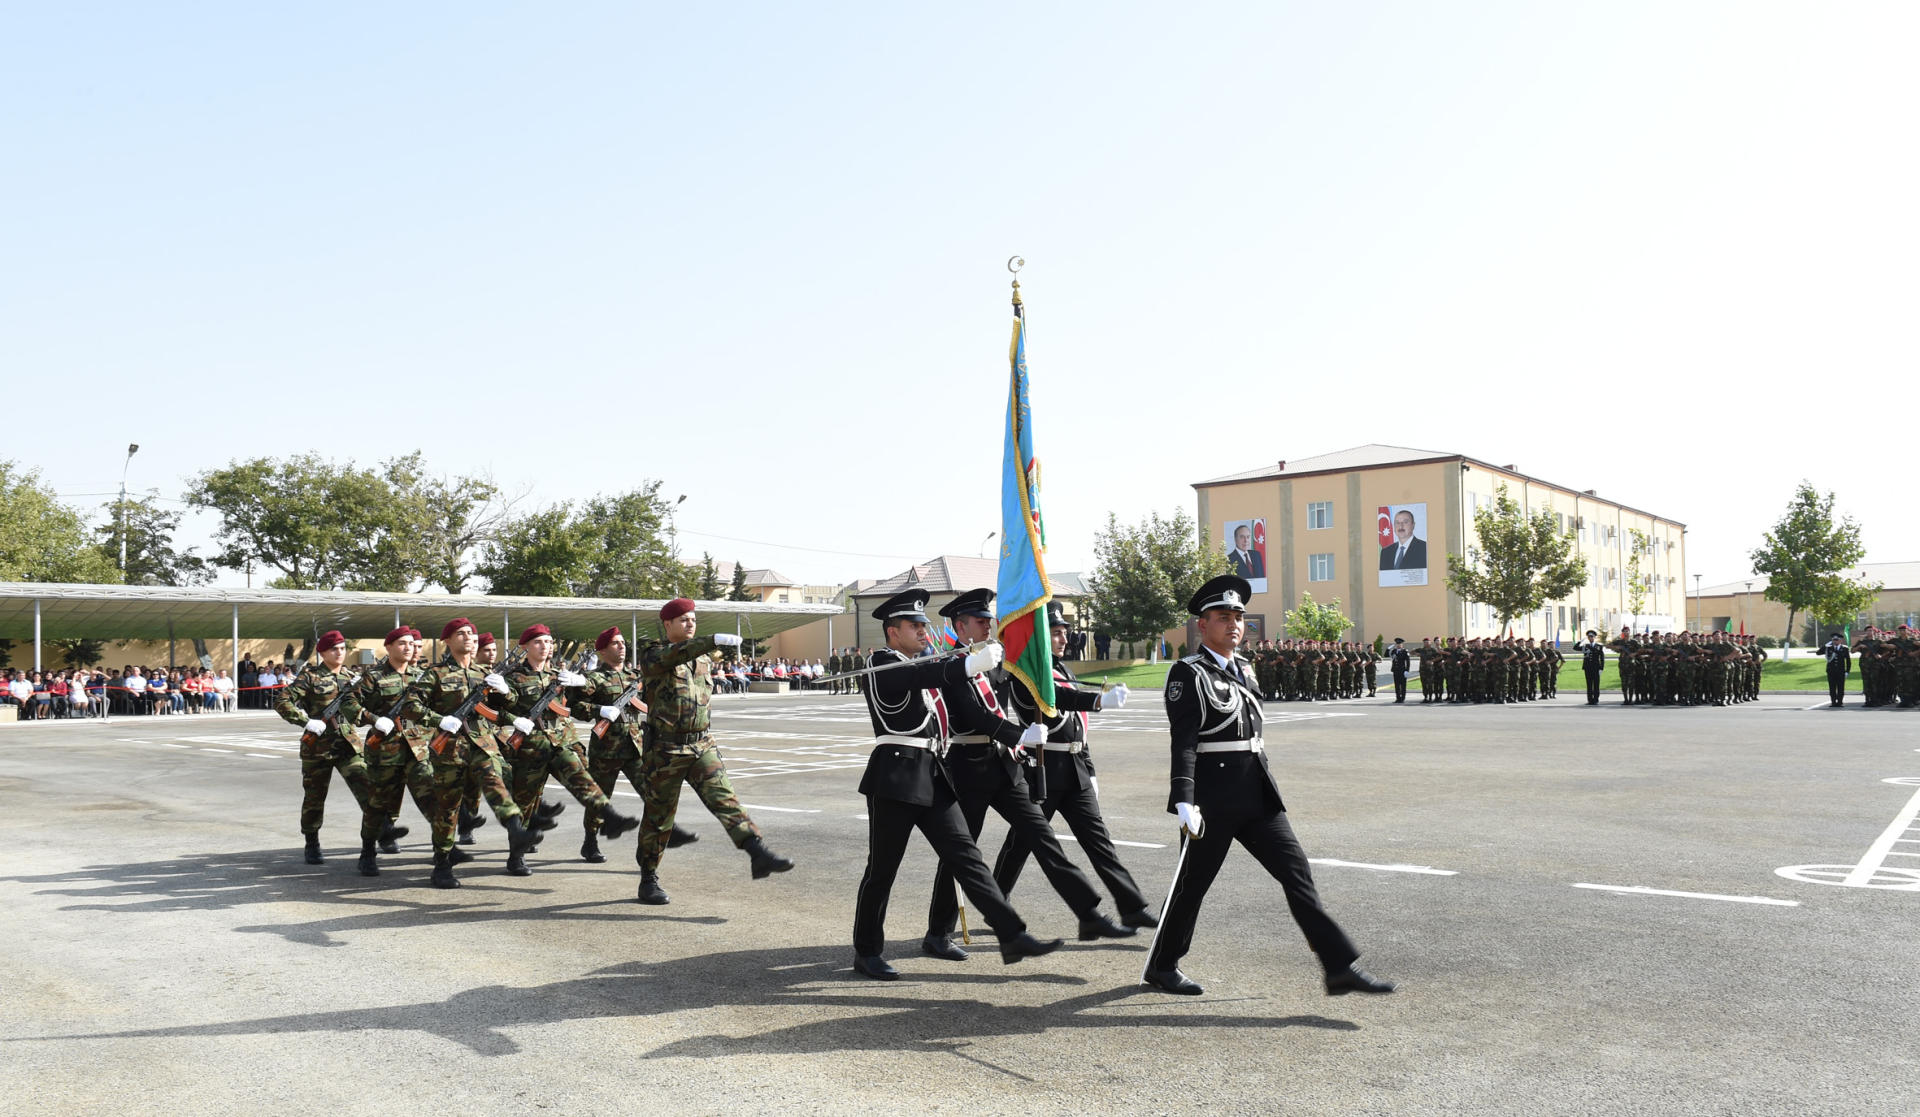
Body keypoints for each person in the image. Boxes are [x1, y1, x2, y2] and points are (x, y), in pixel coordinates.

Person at [1143, 574, 1393, 998]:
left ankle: (1338, 966)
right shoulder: (1187, 673)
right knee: (1192, 885)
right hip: (1213, 798)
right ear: (1201, 626)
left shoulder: (1243, 667)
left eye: (1238, 617)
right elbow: (1184, 740)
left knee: (1297, 874)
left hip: (1257, 793)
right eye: (1223, 618)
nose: (1234, 625)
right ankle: (1163, 965)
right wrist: (1184, 798)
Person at [849, 588, 1063, 980]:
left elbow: (938, 679)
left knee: (966, 856)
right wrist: (968, 664)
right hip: (895, 774)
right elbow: (922, 675)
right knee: (883, 869)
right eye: (914, 626)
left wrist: (973, 666)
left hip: (933, 771)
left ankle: (1010, 932)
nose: (923, 632)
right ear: (892, 631)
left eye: (924, 625)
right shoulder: (882, 663)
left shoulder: (923, 662)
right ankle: (867, 951)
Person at [923, 588, 1133, 959]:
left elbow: (1049, 693)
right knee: (961, 853)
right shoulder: (953, 663)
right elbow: (975, 716)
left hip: (1003, 763)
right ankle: (938, 932)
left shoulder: (999, 662)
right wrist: (1019, 733)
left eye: (990, 619)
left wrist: (1097, 700)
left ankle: (1088, 913)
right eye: (981, 621)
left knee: (1042, 835)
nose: (990, 625)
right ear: (960, 625)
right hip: (967, 765)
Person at [992, 602, 1154, 928]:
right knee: (1020, 844)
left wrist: (1089, 769)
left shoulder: (1062, 670)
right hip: (1043, 769)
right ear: (1039, 639)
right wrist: (1097, 699)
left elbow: (1078, 726)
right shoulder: (1029, 674)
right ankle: (995, 900)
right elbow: (1057, 700)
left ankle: (1131, 906)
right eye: (1055, 633)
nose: (1063, 639)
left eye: (1064, 632)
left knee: (1100, 844)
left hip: (1075, 768)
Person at [633, 598, 791, 905]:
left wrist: (707, 646)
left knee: (725, 800)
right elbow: (674, 654)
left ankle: (757, 852)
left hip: (702, 744)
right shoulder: (654, 653)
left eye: (693, 619)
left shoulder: (701, 660)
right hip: (666, 749)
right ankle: (648, 876)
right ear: (667, 625)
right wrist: (712, 641)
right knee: (659, 816)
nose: (690, 624)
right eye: (683, 620)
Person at [403, 618, 543, 888]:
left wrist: (505, 694)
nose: (468, 637)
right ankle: (442, 863)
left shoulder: (483, 674)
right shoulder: (435, 673)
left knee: (496, 783)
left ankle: (516, 829)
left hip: (482, 744)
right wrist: (438, 720)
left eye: (471, 633)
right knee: (448, 809)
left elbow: (500, 707)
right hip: (450, 750)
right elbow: (411, 705)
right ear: (447, 641)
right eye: (460, 633)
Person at [496, 624, 641, 877]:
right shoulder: (513, 678)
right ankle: (515, 856)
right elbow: (498, 711)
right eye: (539, 642)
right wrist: (511, 714)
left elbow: (576, 706)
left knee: (582, 779)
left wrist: (583, 689)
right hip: (530, 746)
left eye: (549, 642)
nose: (546, 646)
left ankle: (609, 818)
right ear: (526, 647)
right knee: (525, 802)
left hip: (561, 741)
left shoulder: (558, 676)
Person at [274, 631, 378, 866]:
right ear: (322, 652)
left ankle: (370, 847)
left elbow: (364, 708)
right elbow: (282, 701)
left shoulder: (353, 677)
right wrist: (305, 721)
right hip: (317, 746)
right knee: (314, 797)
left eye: (342, 648)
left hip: (348, 745)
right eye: (334, 649)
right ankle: (312, 842)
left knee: (369, 793)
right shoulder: (310, 677)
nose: (339, 652)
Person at [345, 626, 435, 877]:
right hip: (385, 749)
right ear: (389, 647)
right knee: (377, 805)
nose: (408, 647)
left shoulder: (421, 675)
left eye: (410, 643)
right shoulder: (373, 677)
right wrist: (372, 718)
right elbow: (348, 702)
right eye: (401, 643)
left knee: (430, 796)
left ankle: (444, 851)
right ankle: (367, 853)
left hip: (417, 748)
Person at [1819, 634, 1851, 707]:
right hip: (1831, 671)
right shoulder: (1828, 648)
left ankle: (1840, 702)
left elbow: (1848, 661)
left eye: (1836, 640)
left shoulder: (1845, 649)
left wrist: (1847, 671)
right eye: (1833, 640)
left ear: (1840, 640)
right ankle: (1833, 702)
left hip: (1841, 671)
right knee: (1832, 687)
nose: (1835, 641)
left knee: (1840, 687)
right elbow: (1818, 653)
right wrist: (1825, 645)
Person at [1389, 638, 1411, 703]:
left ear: (1402, 644)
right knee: (1397, 685)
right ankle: (1398, 698)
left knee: (1403, 685)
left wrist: (1407, 670)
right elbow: (1386, 655)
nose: (1398, 645)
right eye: (1397, 644)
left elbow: (1408, 661)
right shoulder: (1394, 651)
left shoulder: (1405, 651)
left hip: (1402, 670)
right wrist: (1388, 649)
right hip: (1395, 670)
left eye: (1399, 644)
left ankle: (1402, 698)